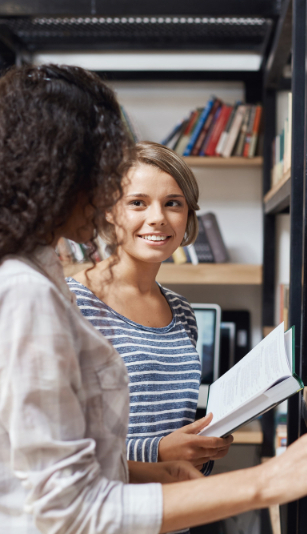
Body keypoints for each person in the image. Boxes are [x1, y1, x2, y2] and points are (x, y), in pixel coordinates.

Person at [0, 64, 307, 533]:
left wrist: (154, 473)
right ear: (57, 173)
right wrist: (266, 481)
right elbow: (70, 511)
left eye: (172, 203)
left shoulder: (19, 280)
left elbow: (55, 475)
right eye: (106, 174)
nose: (111, 190)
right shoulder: (21, 294)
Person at [67, 141, 230, 479]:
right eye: (137, 203)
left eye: (173, 204)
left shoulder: (182, 311)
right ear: (109, 212)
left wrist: (202, 447)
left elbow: (176, 433)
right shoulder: (72, 302)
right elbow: (62, 444)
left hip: (174, 515)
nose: (157, 218)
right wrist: (158, 452)